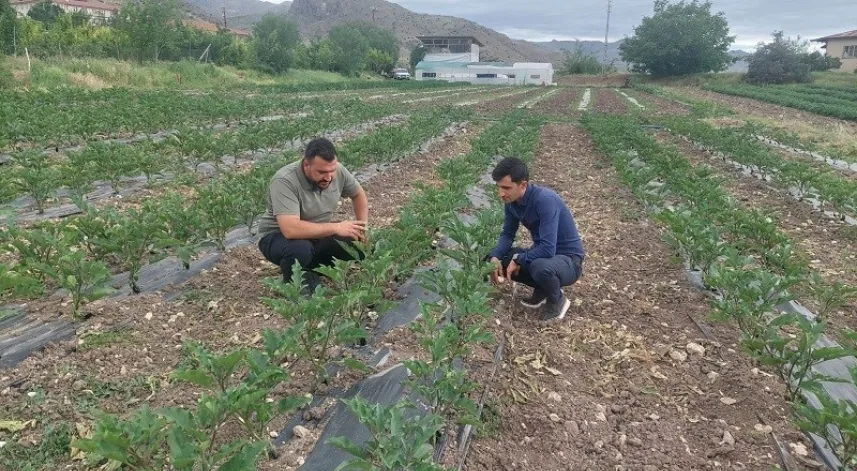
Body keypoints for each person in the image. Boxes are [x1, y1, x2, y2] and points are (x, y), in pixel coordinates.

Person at [257, 137, 369, 294]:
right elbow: (291, 230)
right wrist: (336, 227)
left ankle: (311, 267)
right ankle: (294, 285)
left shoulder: (337, 170)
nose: (328, 177)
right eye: (322, 172)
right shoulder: (284, 180)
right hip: (279, 237)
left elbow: (358, 194)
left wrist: (362, 227)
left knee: (355, 247)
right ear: (306, 165)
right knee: (300, 249)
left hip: (316, 235)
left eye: (332, 171)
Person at [488, 157, 585, 324]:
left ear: (523, 185)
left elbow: (548, 248)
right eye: (498, 187)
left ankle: (557, 300)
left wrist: (520, 259)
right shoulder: (511, 202)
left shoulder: (544, 200)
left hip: (569, 261)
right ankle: (542, 290)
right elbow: (507, 234)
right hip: (546, 255)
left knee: (539, 267)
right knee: (503, 258)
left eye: (506, 188)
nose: (501, 193)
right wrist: (495, 257)